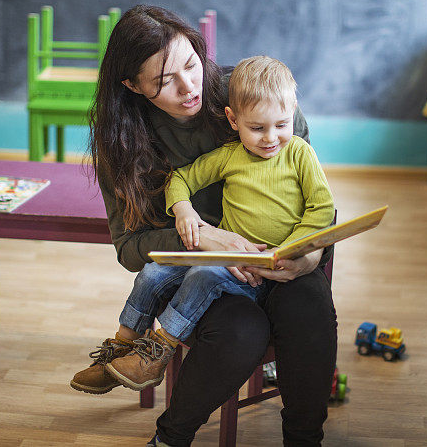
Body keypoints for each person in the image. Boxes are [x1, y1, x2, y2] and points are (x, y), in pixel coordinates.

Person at [71, 5, 338, 447]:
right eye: (163, 82)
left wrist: (308, 255)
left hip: (284, 255)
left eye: (191, 65)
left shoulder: (255, 94)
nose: (189, 86)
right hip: (202, 273)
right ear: (131, 86)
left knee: (308, 313)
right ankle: (170, 436)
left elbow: (317, 200)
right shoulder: (123, 139)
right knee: (239, 331)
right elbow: (129, 248)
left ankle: (305, 439)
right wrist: (201, 237)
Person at [94, 55, 334, 394]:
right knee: (152, 272)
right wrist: (184, 211)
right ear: (233, 120)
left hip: (255, 269)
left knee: (203, 275)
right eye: (257, 128)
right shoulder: (229, 156)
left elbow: (322, 208)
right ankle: (121, 346)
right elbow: (180, 179)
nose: (270, 138)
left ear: (293, 110)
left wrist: (294, 246)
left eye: (281, 125)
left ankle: (158, 351)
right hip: (224, 254)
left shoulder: (299, 153)